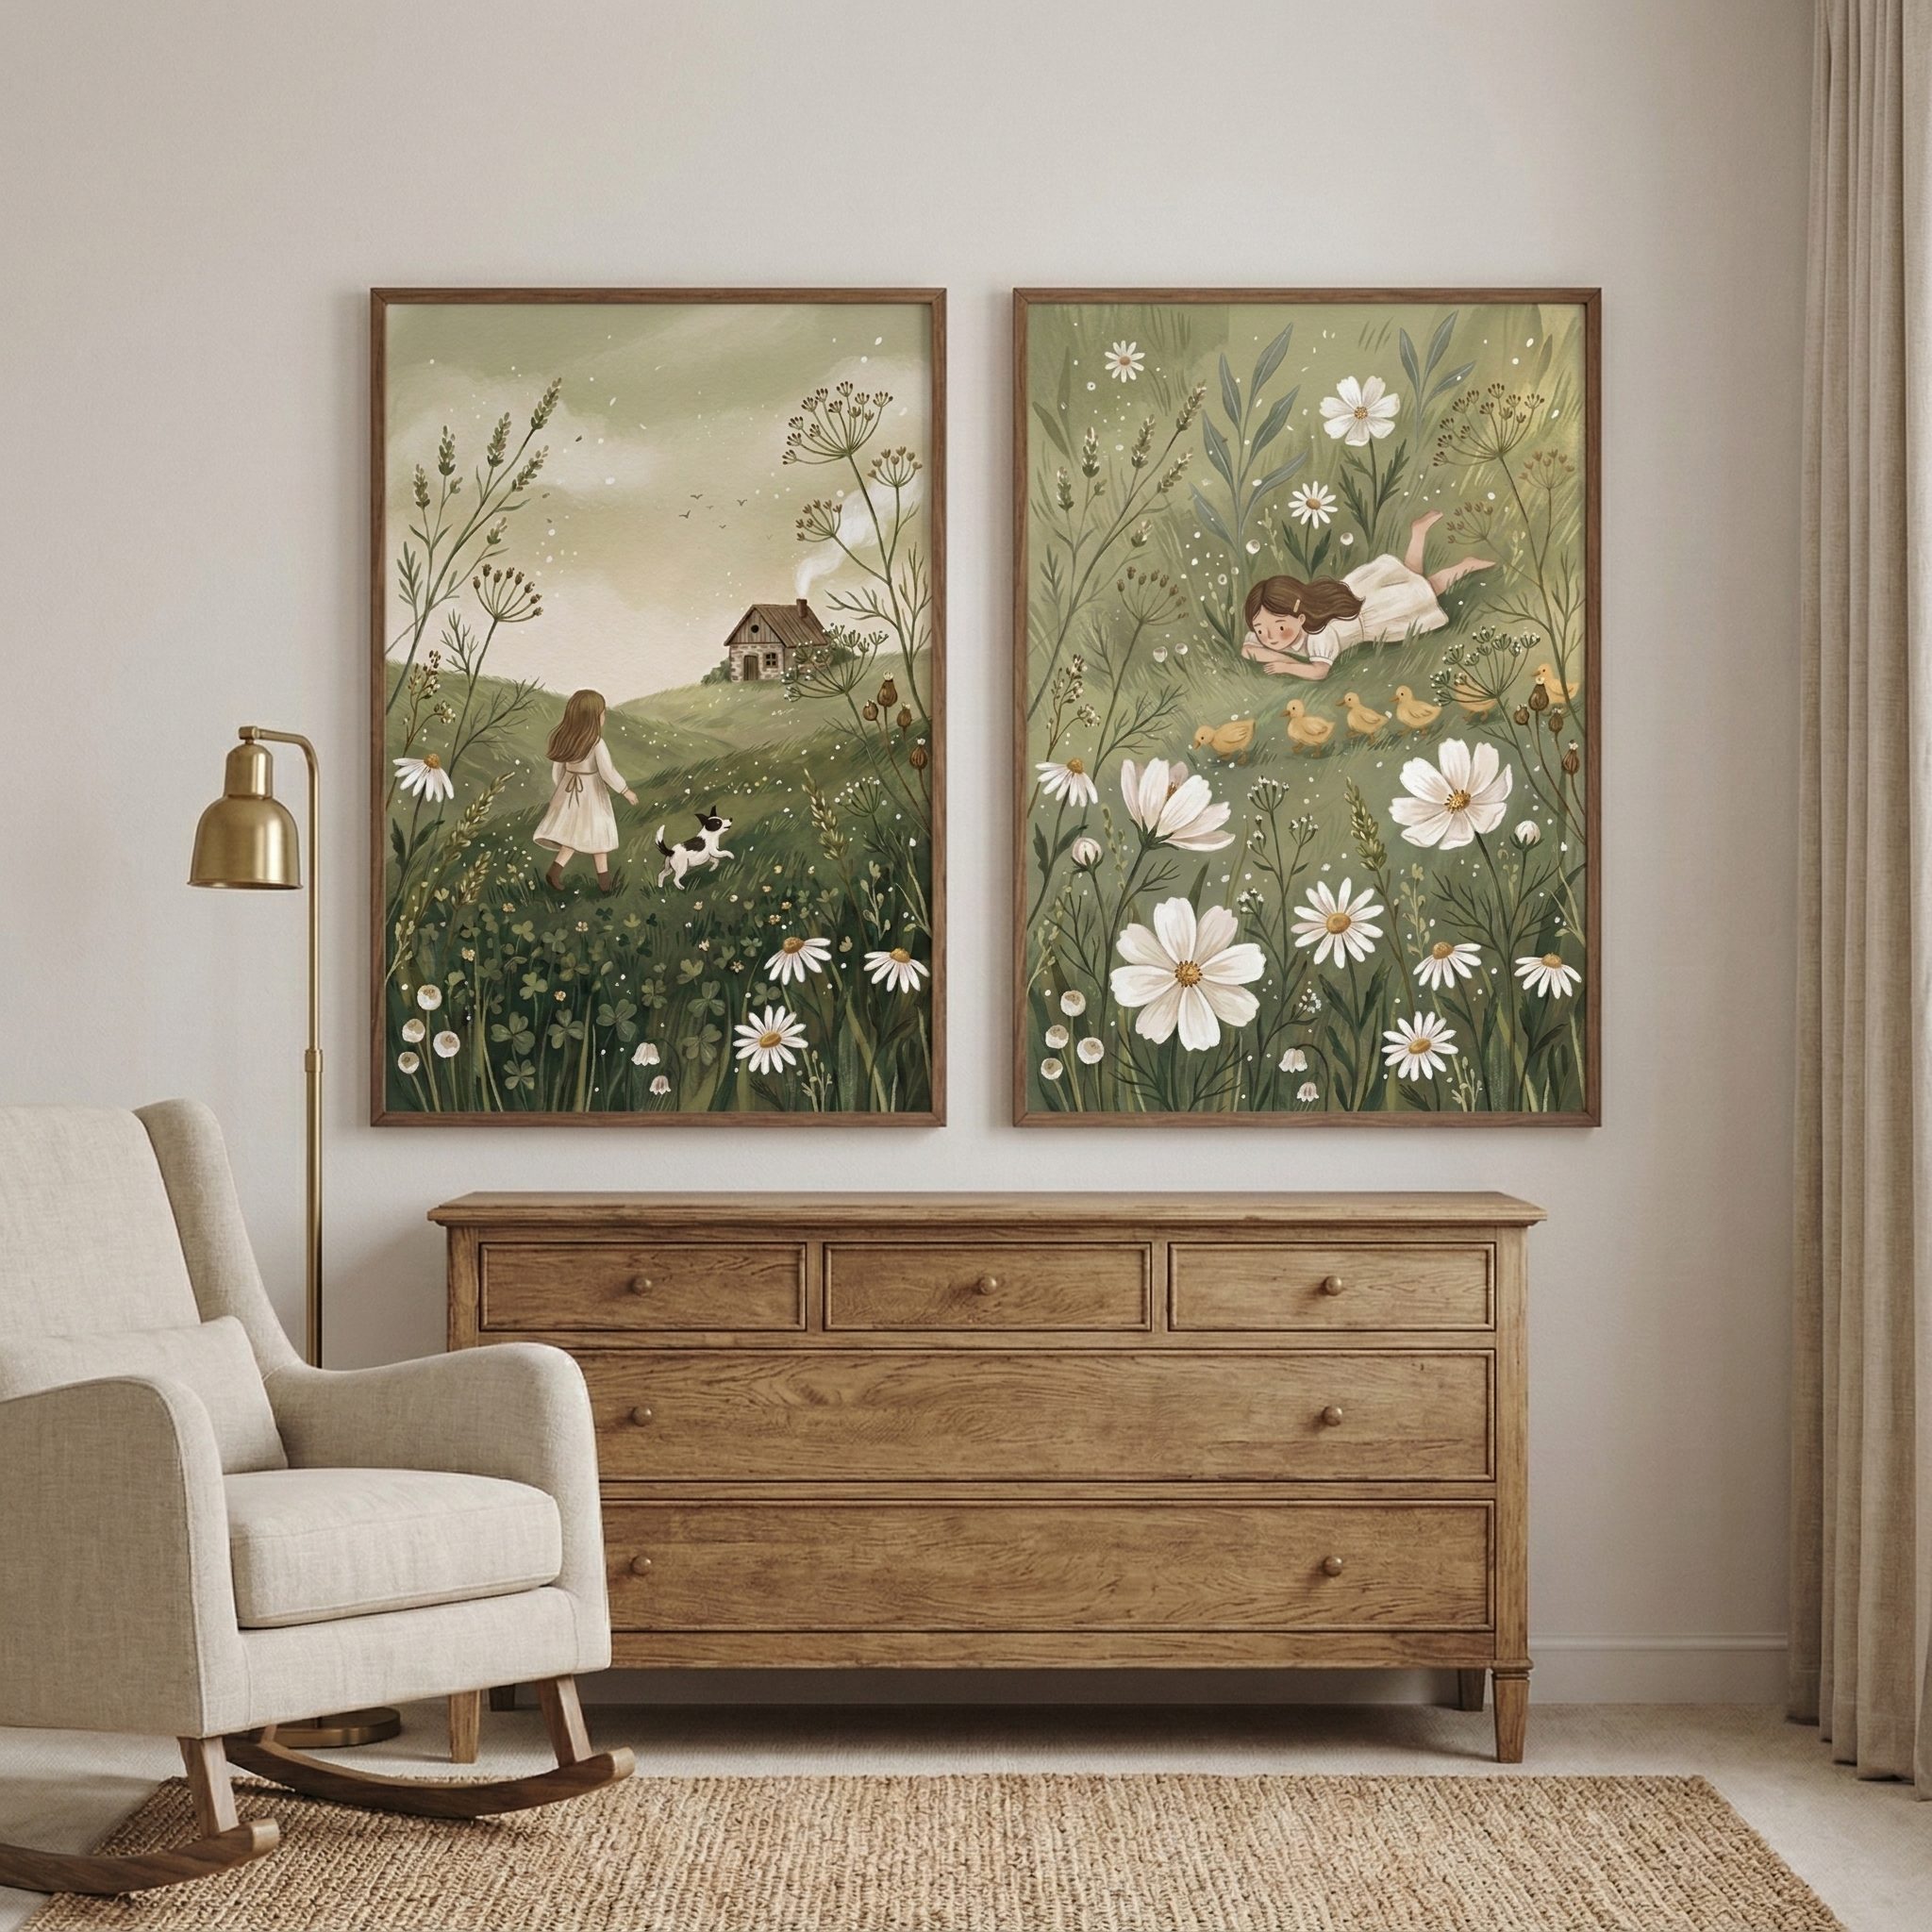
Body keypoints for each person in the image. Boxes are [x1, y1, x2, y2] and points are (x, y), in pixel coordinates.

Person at [1241, 511, 1493, 679]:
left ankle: (1463, 566)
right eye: (1261, 630)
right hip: (1358, 595)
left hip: (1373, 612)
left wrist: (1287, 667)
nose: (1269, 637)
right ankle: (1418, 533)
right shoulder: (1277, 627)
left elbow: (1319, 671)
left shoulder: (1321, 636)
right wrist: (1280, 654)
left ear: (1301, 617)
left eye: (1279, 627)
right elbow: (1248, 650)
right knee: (1409, 577)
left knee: (1425, 589)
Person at [533, 688, 637, 892]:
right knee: (597, 836)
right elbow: (608, 772)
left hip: (569, 791)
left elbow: (557, 772)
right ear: (593, 717)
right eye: (602, 713)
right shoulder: (596, 742)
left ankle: (556, 871)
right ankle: (605, 885)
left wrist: (563, 791)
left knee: (574, 835)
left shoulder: (566, 739)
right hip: (592, 795)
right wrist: (626, 791)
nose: (604, 716)